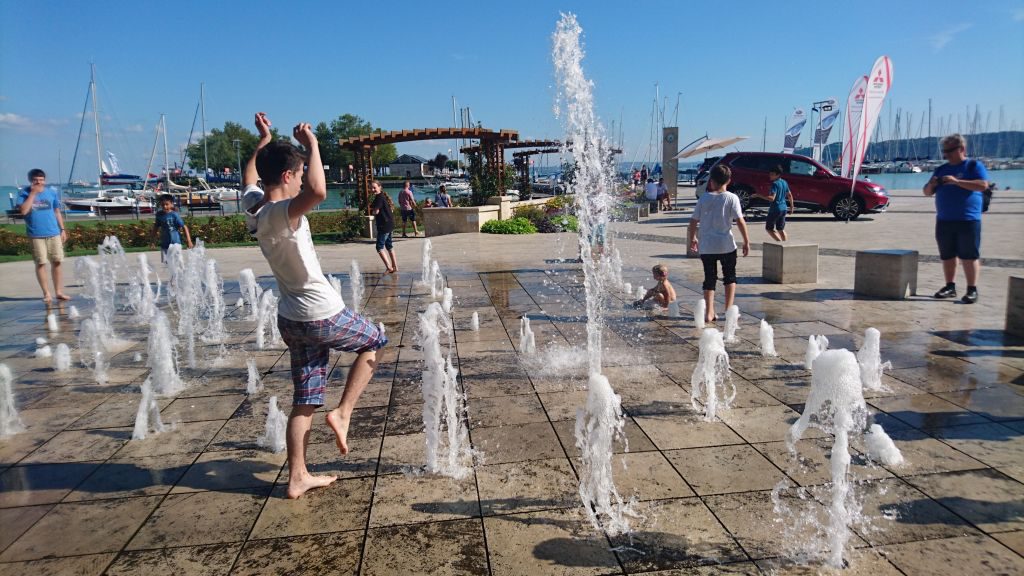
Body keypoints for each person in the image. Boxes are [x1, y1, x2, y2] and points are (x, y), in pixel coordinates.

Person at [241, 112, 387, 499]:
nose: (305, 178)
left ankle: (298, 477)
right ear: (288, 177)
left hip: (290, 318)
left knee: (304, 400)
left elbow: (249, 177)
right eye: (300, 172)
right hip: (320, 313)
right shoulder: (280, 213)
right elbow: (319, 192)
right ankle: (342, 413)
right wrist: (314, 145)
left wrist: (264, 140)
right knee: (375, 341)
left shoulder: (253, 209)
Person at [923, 133, 989, 304]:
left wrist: (956, 181)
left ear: (962, 149)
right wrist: (932, 184)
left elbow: (982, 185)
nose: (947, 154)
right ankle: (950, 286)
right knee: (947, 255)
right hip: (945, 219)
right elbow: (927, 192)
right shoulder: (941, 169)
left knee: (969, 255)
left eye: (950, 150)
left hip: (968, 219)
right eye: (944, 151)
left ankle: (971, 289)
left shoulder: (973, 166)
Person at [687, 164, 750, 324]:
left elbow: (693, 221)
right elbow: (740, 220)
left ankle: (709, 312)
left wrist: (693, 238)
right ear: (729, 180)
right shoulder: (731, 197)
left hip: (707, 246)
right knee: (729, 276)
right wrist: (746, 241)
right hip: (726, 245)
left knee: (710, 278)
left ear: (711, 181)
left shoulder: (704, 198)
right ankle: (729, 310)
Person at [18, 169, 69, 304]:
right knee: (41, 263)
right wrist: (33, 193)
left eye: (41, 179)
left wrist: (62, 229)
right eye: (36, 180)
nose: (39, 182)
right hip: (36, 234)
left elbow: (57, 211)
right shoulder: (24, 193)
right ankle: (46, 293)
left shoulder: (51, 192)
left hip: (54, 232)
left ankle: (58, 292)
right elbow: (23, 211)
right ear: (30, 180)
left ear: (44, 180)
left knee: (57, 261)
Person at [152, 194, 193, 259]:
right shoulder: (159, 215)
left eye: (167, 204)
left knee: (178, 263)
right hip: (164, 244)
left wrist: (189, 241)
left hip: (175, 243)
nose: (165, 207)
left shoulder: (174, 215)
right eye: (162, 205)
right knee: (167, 264)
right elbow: (155, 228)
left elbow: (184, 227)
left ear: (171, 204)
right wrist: (153, 241)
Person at [370, 180, 398, 273]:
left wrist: (372, 211)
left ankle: (389, 267)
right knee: (389, 246)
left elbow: (376, 211)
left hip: (384, 225)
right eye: (371, 187)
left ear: (379, 187)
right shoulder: (383, 196)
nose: (372, 189)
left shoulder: (379, 197)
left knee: (379, 247)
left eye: (374, 187)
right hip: (389, 224)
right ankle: (395, 266)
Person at [761, 165, 794, 241]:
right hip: (784, 208)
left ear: (778, 175)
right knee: (780, 229)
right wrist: (792, 207)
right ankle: (785, 245)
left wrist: (758, 195)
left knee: (769, 228)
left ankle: (779, 243)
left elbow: (772, 198)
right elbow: (789, 195)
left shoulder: (774, 184)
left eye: (772, 174)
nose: (770, 176)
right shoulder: (784, 182)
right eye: (770, 174)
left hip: (775, 209)